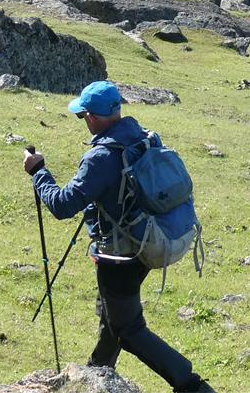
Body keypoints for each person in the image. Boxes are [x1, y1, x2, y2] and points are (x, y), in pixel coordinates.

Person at [24, 80, 215, 393]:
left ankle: (192, 385)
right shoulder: (143, 136)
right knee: (112, 315)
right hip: (145, 243)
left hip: (118, 256)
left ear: (91, 117)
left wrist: (38, 172)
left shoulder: (100, 157)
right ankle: (98, 375)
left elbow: (61, 205)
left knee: (127, 329)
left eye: (82, 115)